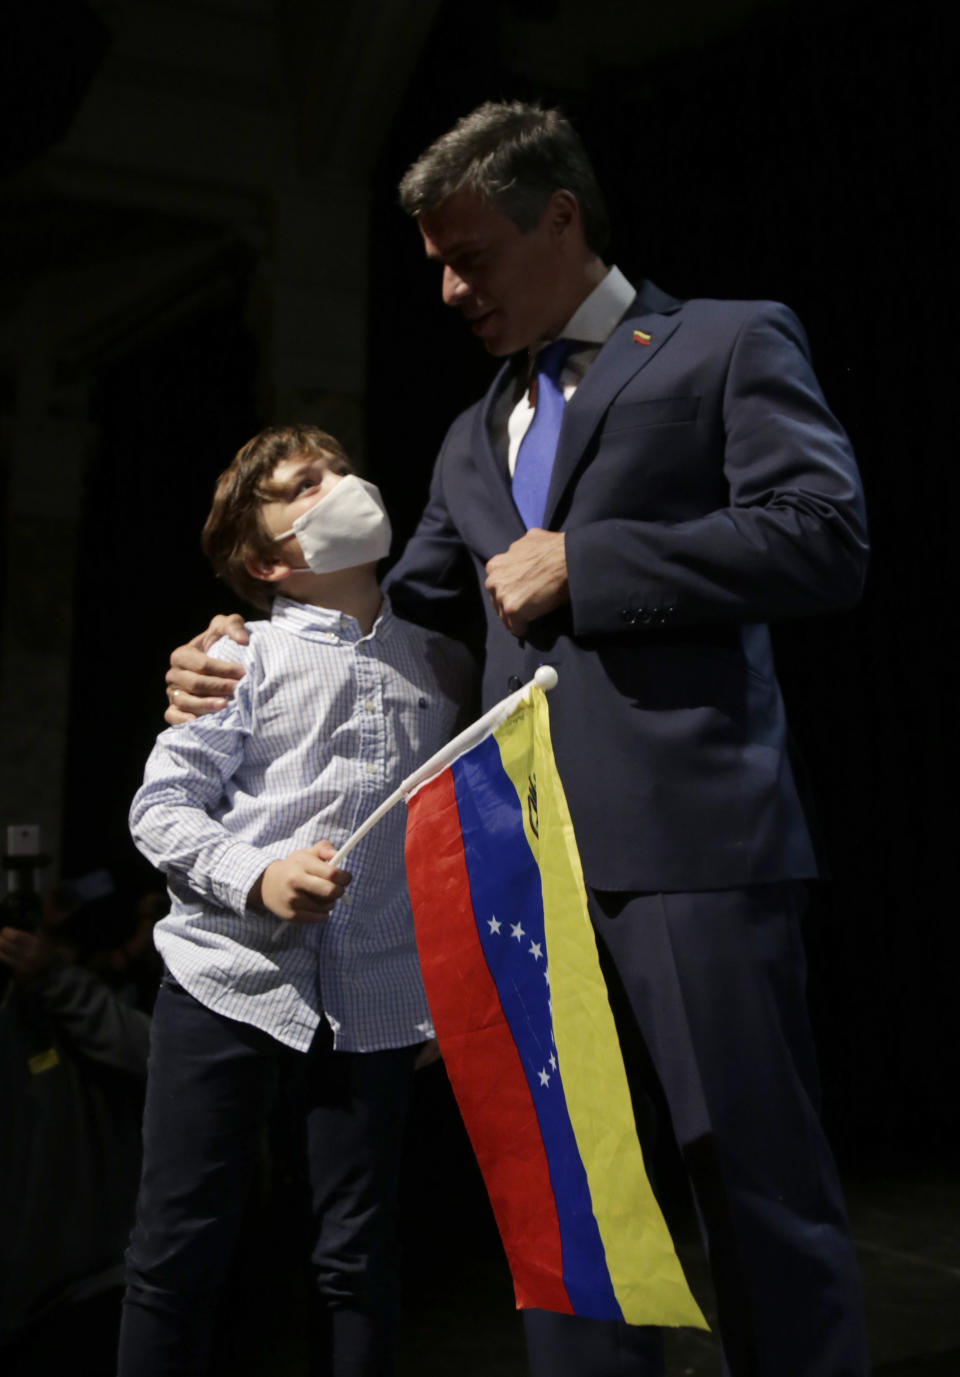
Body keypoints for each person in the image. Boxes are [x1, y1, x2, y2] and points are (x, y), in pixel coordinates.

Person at [163, 105, 871, 1377]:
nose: (448, 288)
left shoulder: (722, 341)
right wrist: (247, 661)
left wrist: (591, 562)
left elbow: (823, 533)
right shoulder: (468, 431)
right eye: (435, 260)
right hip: (520, 877)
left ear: (561, 219)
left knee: (753, 1186)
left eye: (470, 254)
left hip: (691, 849)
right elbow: (408, 629)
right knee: (567, 1212)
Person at [120, 424, 471, 1377]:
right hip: (227, 981)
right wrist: (259, 875)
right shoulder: (239, 657)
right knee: (178, 1248)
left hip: (377, 1005)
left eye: (342, 471)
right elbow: (160, 806)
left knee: (357, 1256)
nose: (340, 486)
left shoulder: (443, 666)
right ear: (264, 557)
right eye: (304, 485)